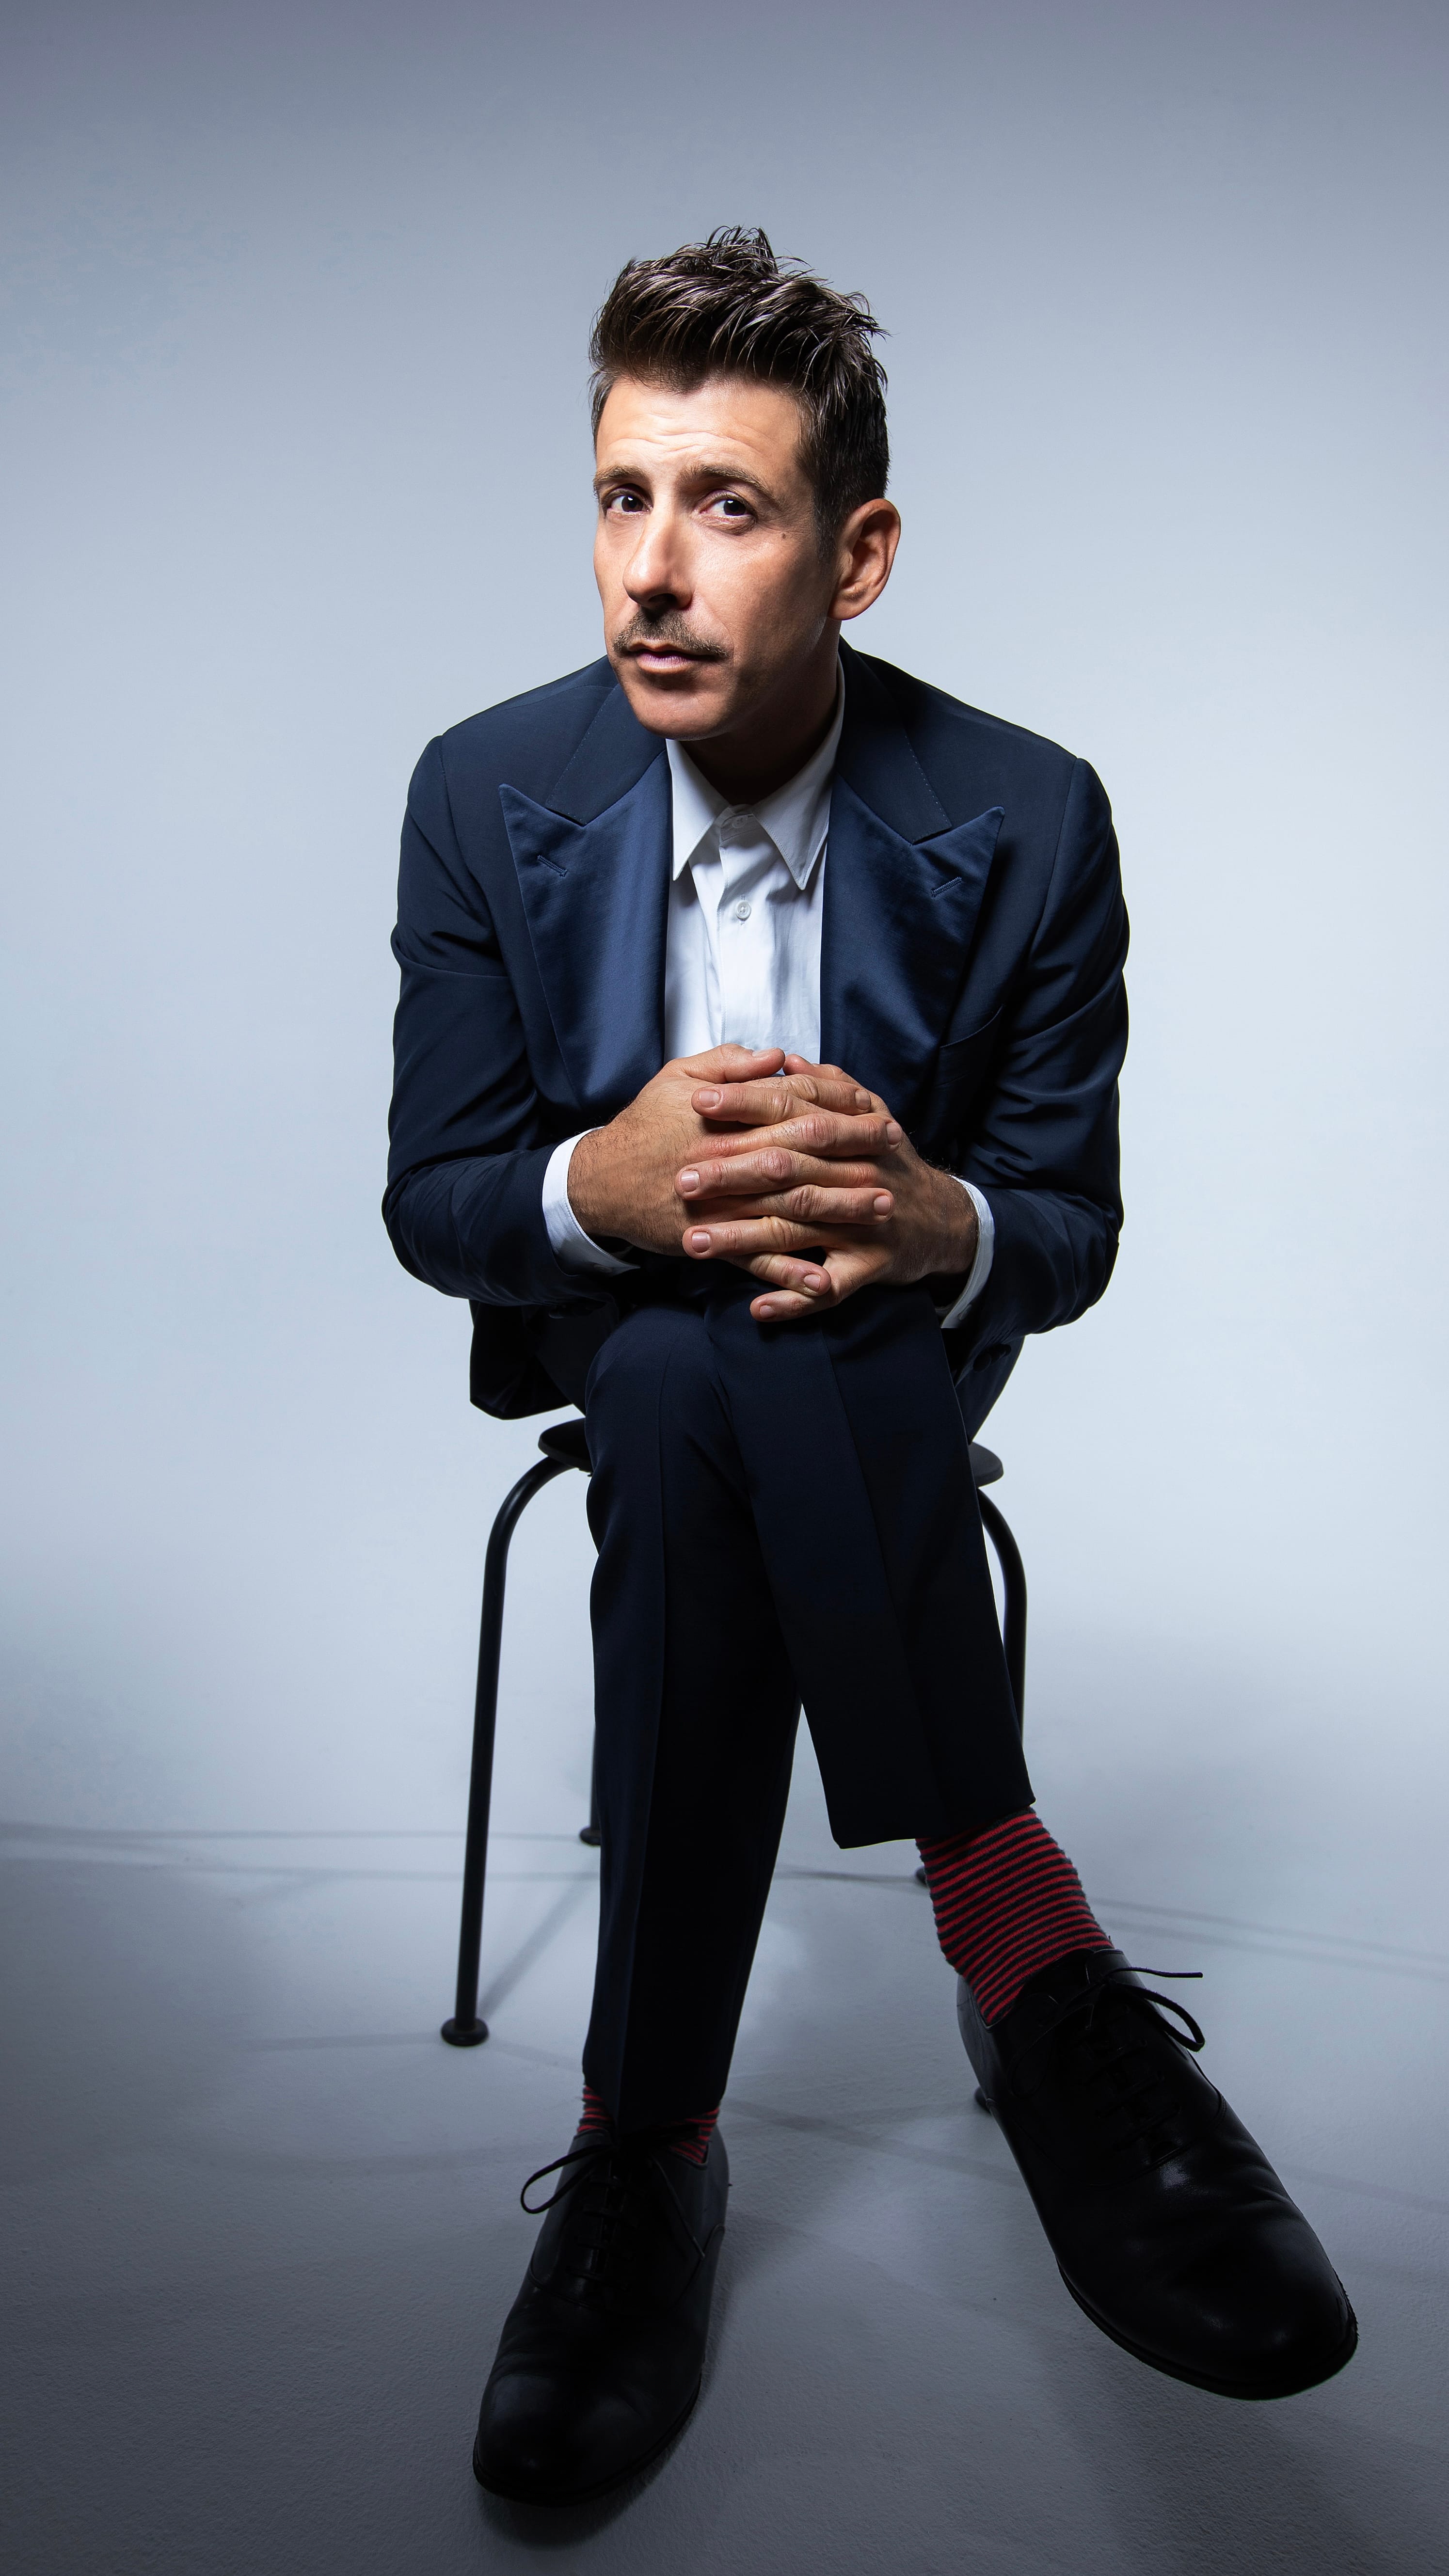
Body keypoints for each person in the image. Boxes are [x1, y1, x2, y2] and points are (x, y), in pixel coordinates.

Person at [384, 229, 1355, 2505]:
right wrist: (593, 1189)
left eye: (725, 505)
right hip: (629, 1338)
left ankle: (643, 2145)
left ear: (859, 552)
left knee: (719, 1378)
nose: (650, 568)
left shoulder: (1029, 812)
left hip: (897, 1359)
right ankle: (1027, 1954)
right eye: (622, 496)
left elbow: (1064, 1229)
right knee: (666, 1365)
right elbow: (437, 1197)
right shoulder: (480, 788)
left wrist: (937, 1225)